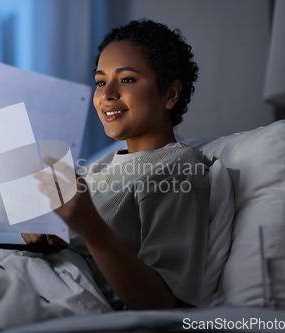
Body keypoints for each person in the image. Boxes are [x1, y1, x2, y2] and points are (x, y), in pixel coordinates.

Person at [22, 19, 210, 311]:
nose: (107, 93)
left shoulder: (179, 167)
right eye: (100, 81)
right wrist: (45, 231)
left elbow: (164, 305)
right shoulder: (104, 164)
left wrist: (90, 227)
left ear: (170, 94)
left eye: (127, 79)